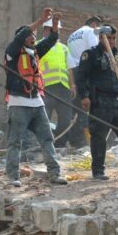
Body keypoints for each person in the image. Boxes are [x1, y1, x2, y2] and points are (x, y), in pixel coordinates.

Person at [4, 7, 68, 188]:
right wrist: (40, 20)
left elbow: (52, 39)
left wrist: (54, 24)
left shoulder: (35, 52)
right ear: (22, 38)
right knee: (15, 142)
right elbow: (21, 35)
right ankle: (12, 176)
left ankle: (54, 173)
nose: (34, 37)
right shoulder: (12, 52)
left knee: (47, 139)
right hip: (18, 104)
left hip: (37, 103)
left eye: (34, 34)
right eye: (31, 35)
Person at [76, 24, 118, 181]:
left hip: (116, 100)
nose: (112, 41)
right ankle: (98, 170)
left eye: (114, 38)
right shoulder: (91, 54)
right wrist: (84, 96)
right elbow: (81, 77)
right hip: (99, 100)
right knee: (99, 136)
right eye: (109, 38)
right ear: (101, 38)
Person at [38, 19, 80, 148]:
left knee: (65, 119)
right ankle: (44, 145)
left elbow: (69, 67)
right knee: (44, 119)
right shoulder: (38, 45)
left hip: (63, 88)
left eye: (57, 30)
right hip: (46, 88)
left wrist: (72, 85)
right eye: (52, 29)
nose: (56, 32)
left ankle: (60, 145)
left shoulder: (63, 48)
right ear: (45, 30)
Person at [67, 15, 103, 144]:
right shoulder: (90, 31)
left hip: (74, 72)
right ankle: (90, 141)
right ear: (94, 24)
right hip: (86, 71)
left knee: (76, 108)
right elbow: (96, 50)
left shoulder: (71, 36)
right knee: (89, 105)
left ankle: (77, 142)